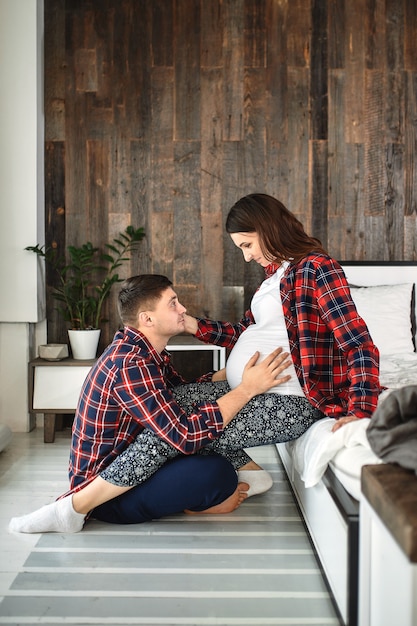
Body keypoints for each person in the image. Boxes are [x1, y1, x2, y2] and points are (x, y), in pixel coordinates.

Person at [9, 273, 291, 534]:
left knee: (209, 441)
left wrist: (232, 375)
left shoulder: (144, 352)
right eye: (173, 304)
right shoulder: (130, 363)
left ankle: (215, 488)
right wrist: (248, 388)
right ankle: (75, 509)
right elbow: (184, 435)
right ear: (148, 319)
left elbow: (181, 394)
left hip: (141, 462)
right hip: (111, 491)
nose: (182, 309)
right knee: (215, 473)